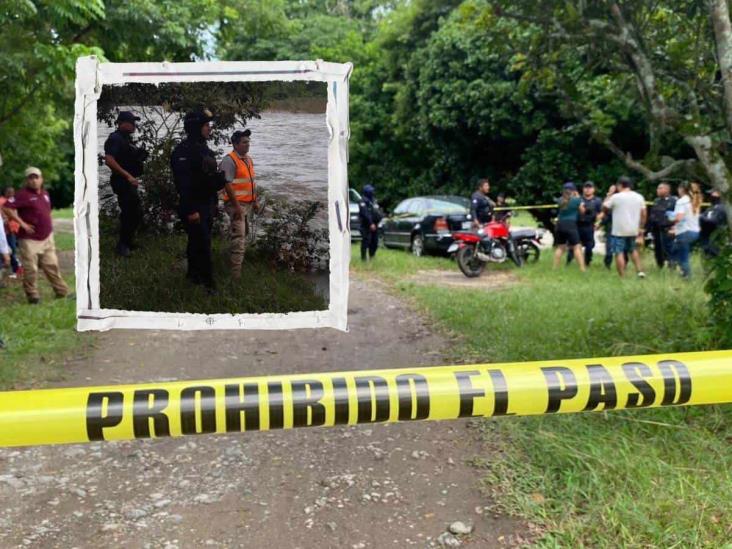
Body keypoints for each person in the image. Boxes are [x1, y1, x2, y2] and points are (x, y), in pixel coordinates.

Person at [171, 109, 227, 292]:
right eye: (205, 125)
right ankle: (208, 284)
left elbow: (209, 180)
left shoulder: (205, 149)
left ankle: (193, 275)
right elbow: (183, 184)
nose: (209, 129)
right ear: (195, 127)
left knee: (197, 241)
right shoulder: (183, 151)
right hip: (194, 206)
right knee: (203, 244)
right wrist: (191, 210)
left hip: (207, 204)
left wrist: (215, 203)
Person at [1, 167, 70, 303]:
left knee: (52, 265)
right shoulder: (22, 195)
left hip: (47, 237)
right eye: (30, 178)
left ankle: (62, 292)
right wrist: (23, 224)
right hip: (29, 239)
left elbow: (46, 212)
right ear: (26, 180)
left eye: (36, 177)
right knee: (30, 269)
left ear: (41, 179)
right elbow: (7, 207)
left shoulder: (45, 194)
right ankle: (33, 296)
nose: (33, 180)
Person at [104, 111, 147, 257]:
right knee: (130, 212)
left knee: (135, 212)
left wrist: (139, 155)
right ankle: (122, 246)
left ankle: (128, 242)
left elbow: (125, 157)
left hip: (128, 181)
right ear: (123, 123)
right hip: (122, 181)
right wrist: (128, 176)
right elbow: (109, 160)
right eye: (132, 122)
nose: (134, 125)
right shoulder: (115, 138)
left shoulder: (125, 139)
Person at [219, 129, 258, 279]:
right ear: (235, 144)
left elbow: (251, 182)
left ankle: (228, 259)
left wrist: (255, 201)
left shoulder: (247, 159)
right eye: (244, 142)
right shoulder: (229, 160)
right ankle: (235, 276)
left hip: (246, 204)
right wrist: (236, 207)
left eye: (248, 142)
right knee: (239, 239)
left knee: (242, 235)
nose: (247, 145)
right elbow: (227, 185)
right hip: (236, 205)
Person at [603, 176, 647, 278]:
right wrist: (641, 228)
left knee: (619, 252)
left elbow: (604, 207)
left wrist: (609, 194)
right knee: (633, 250)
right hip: (633, 229)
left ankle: (622, 275)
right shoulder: (639, 197)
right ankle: (639, 271)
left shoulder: (616, 197)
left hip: (619, 230)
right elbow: (644, 213)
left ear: (619, 185)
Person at [669, 181, 701, 279]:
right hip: (695, 231)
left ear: (682, 189)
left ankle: (686, 276)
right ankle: (674, 268)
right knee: (675, 249)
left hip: (684, 232)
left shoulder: (681, 201)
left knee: (684, 256)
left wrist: (670, 219)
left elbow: (679, 218)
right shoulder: (694, 200)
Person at [567, 181, 603, 266]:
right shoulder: (578, 199)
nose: (587, 190)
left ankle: (587, 262)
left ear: (593, 189)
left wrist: (598, 222)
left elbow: (601, 213)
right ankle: (569, 261)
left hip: (589, 225)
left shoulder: (597, 201)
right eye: (586, 187)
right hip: (577, 225)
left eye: (590, 188)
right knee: (573, 244)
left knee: (589, 246)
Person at [553, 182, 586, 271]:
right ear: (573, 191)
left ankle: (555, 267)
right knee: (577, 246)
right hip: (570, 224)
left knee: (560, 247)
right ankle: (582, 268)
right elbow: (582, 211)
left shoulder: (559, 200)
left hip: (560, 224)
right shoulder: (576, 200)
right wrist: (578, 197)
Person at [646, 182, 677, 268]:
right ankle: (660, 265)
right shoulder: (656, 201)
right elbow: (652, 214)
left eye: (660, 188)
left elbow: (676, 215)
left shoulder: (673, 201)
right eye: (658, 188)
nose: (658, 190)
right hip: (656, 229)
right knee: (658, 249)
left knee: (669, 248)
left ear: (667, 189)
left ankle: (672, 264)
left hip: (668, 229)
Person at [699, 189, 727, 257]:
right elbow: (703, 215)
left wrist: (701, 217)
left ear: (718, 195)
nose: (710, 196)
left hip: (716, 234)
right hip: (706, 235)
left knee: (714, 251)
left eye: (711, 194)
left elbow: (714, 221)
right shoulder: (711, 207)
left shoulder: (721, 207)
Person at [0, 187, 22, 277]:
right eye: (9, 192)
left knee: (12, 248)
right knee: (10, 248)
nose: (11, 194)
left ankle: (16, 267)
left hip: (13, 228)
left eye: (13, 192)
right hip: (6, 230)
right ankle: (16, 267)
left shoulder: (12, 200)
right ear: (5, 192)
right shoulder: (2, 201)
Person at [358, 184, 382, 261]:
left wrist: (380, 217)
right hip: (366, 225)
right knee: (366, 241)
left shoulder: (374, 201)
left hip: (375, 224)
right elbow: (365, 213)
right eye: (371, 191)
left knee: (375, 242)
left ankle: (372, 256)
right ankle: (363, 258)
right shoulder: (362, 201)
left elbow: (377, 211)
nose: (372, 192)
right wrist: (371, 223)